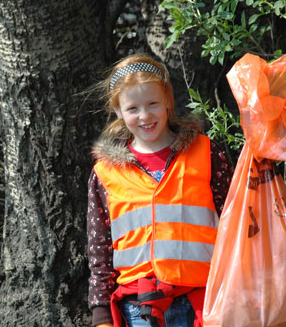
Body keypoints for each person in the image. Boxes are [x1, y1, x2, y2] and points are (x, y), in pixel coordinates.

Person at [87, 53, 233, 327]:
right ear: (118, 111)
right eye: (132, 109)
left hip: (203, 304)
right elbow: (100, 249)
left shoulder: (206, 152)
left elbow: (235, 224)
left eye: (152, 103)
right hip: (138, 309)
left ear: (167, 99)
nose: (145, 116)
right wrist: (101, 314)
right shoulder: (105, 173)